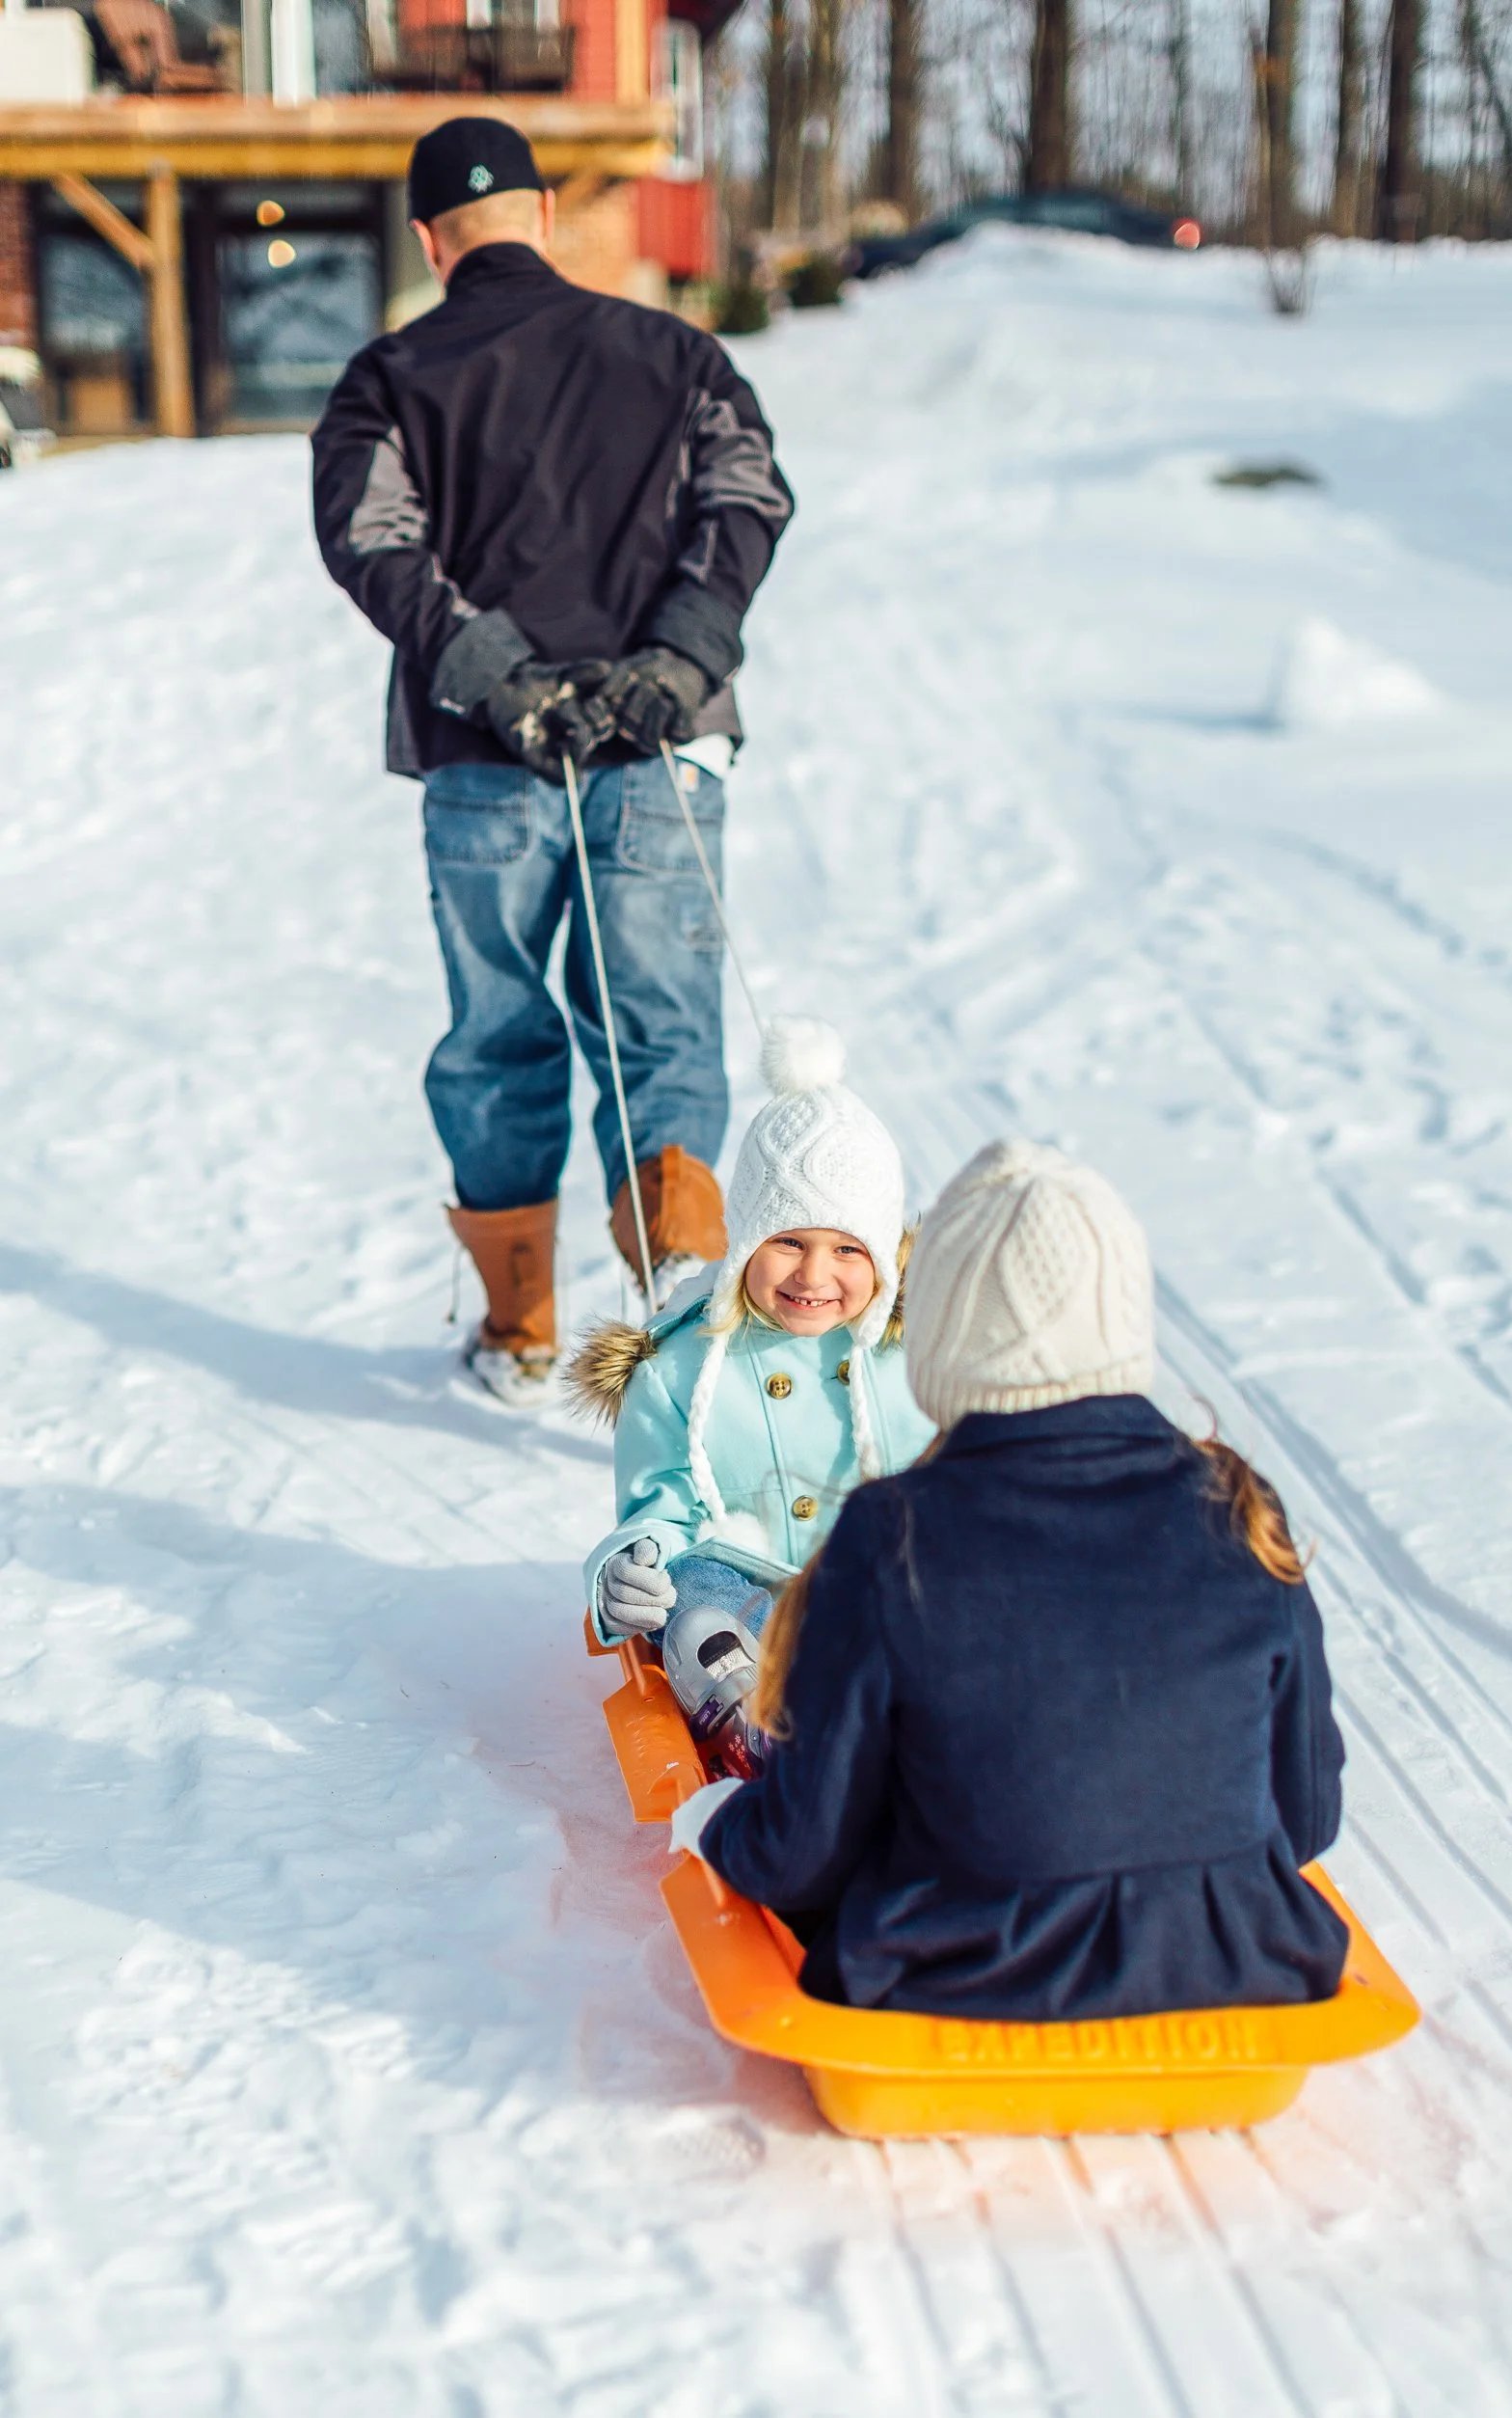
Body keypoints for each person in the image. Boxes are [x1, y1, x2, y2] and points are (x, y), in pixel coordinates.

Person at [310, 117, 795, 1407]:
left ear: (428, 237)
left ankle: (519, 1323)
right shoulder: (678, 354)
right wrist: (674, 664)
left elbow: (373, 538)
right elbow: (745, 499)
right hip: (661, 755)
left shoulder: (389, 376)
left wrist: (493, 676)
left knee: (499, 1031)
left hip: (483, 761)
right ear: (539, 211)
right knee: (663, 1035)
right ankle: (683, 1333)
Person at [671, 1139, 1350, 2024]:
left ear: (946, 1333)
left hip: (947, 1977)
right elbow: (1302, 1817)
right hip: (1235, 1962)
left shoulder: (893, 1533)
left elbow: (805, 1850)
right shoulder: (1237, 1506)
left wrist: (718, 1822)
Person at [567, 1019, 933, 1646]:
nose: (814, 1273)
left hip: (886, 1600)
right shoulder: (676, 1367)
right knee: (693, 1578)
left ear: (879, 1255)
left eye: (847, 1248)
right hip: (752, 1612)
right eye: (787, 1240)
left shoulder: (914, 1356)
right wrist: (635, 1564)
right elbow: (661, 1510)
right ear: (742, 1242)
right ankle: (746, 1697)